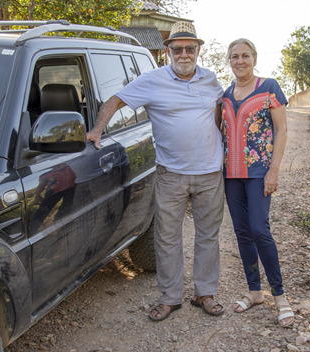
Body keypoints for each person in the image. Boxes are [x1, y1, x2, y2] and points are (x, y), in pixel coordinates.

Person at [87, 21, 226, 321]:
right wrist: (98, 130)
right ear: (168, 51)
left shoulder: (211, 80)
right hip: (170, 174)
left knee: (207, 236)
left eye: (190, 48)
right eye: (178, 48)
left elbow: (220, 113)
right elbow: (115, 100)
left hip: (210, 173)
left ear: (199, 49)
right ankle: (170, 297)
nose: (184, 54)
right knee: (167, 237)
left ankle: (205, 293)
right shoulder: (152, 80)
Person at [221, 38, 293, 327]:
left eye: (245, 56)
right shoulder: (226, 94)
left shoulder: (269, 88)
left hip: (258, 171)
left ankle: (280, 296)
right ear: (229, 61)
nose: (241, 61)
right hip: (231, 175)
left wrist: (273, 170)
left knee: (259, 229)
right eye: (235, 56)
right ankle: (254, 292)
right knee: (241, 232)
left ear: (254, 58)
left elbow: (282, 130)